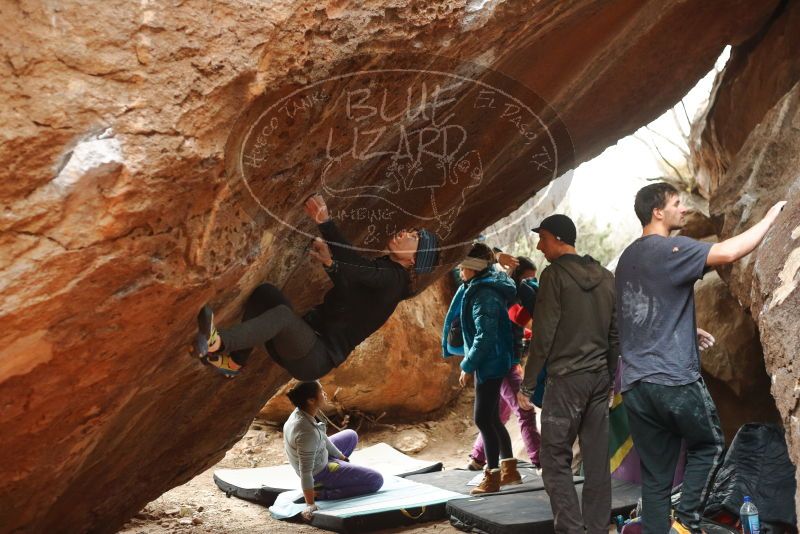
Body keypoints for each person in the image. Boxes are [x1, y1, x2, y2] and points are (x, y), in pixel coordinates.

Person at [615, 182, 787, 534]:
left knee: (657, 476)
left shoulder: (627, 259)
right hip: (673, 379)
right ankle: (686, 522)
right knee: (709, 445)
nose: (684, 209)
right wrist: (771, 218)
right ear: (657, 212)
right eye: (677, 204)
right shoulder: (670, 248)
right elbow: (725, 253)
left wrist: (687, 330)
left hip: (635, 384)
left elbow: (639, 312)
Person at [190, 193, 440, 379]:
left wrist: (325, 222)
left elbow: (354, 265)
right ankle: (234, 361)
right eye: (412, 231)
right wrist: (331, 264)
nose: (406, 233)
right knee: (265, 294)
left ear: (414, 260)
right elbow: (349, 293)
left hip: (314, 356)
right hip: (304, 345)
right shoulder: (389, 273)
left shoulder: (392, 280)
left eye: (415, 237)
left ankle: (218, 343)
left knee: (282, 317)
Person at [517, 214, 618, 534]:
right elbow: (616, 334)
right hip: (599, 380)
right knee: (597, 462)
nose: (538, 245)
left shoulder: (554, 275)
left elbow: (543, 335)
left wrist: (528, 385)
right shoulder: (606, 276)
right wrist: (613, 378)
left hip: (566, 382)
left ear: (559, 238)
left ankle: (572, 530)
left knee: (554, 460)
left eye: (543, 238)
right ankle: (598, 529)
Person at [457, 255, 542, 470]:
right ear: (517, 278)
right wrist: (468, 365)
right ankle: (540, 461)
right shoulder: (502, 297)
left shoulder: (499, 291)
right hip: (501, 363)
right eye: (528, 279)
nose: (532, 283)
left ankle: (480, 459)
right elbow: (523, 320)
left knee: (496, 415)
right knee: (520, 411)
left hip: (506, 360)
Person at [449, 243, 521, 494]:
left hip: (490, 362)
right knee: (491, 418)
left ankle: (491, 477)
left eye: (463, 266)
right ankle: (510, 470)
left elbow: (485, 336)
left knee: (482, 418)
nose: (459, 270)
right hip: (494, 360)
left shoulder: (484, 294)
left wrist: (467, 365)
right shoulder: (480, 285)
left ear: (474, 267)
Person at [282, 381, 383, 521]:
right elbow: (306, 472)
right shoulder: (306, 432)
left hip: (319, 452)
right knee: (376, 480)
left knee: (351, 435)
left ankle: (337, 468)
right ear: (311, 400)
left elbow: (322, 436)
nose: (324, 394)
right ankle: (321, 492)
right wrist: (310, 504)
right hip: (318, 471)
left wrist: (340, 456)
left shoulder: (303, 411)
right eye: (321, 391)